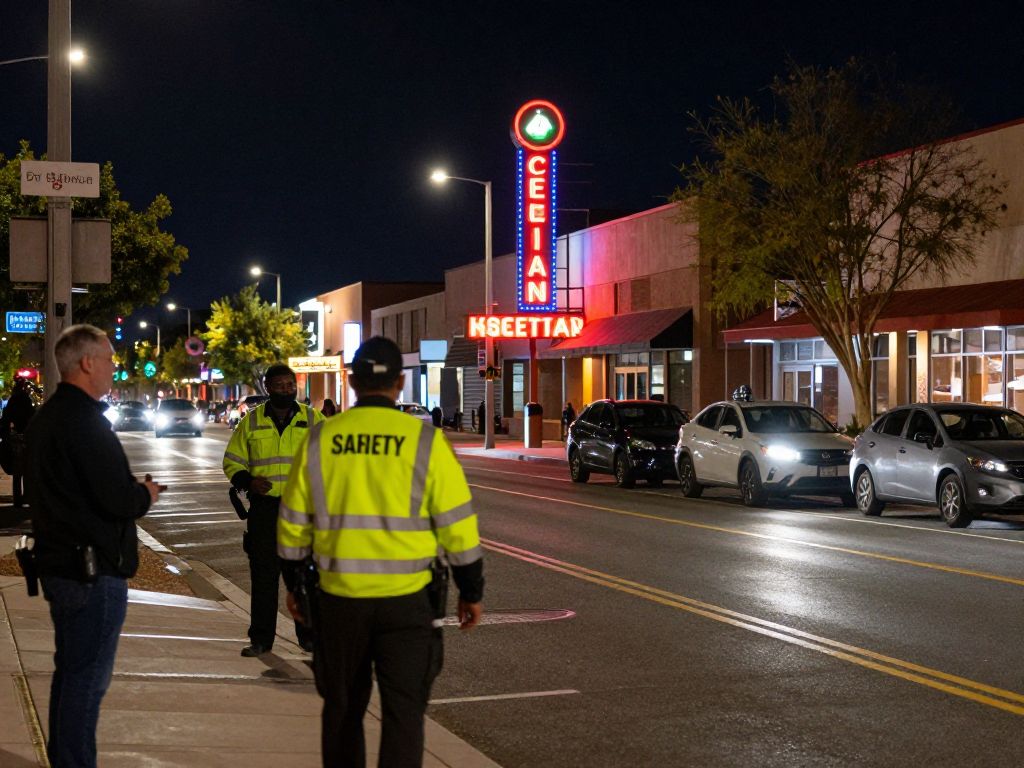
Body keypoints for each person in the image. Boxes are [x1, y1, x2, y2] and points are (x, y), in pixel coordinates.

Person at [279, 336, 484, 768]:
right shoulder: (425, 442)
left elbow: (293, 525)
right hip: (407, 604)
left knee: (342, 713)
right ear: (400, 382)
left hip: (338, 602)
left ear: (352, 382)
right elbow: (459, 528)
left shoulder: (320, 439)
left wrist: (294, 585)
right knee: (404, 716)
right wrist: (471, 591)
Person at [25, 324, 163, 767]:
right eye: (107, 359)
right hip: (92, 571)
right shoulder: (85, 422)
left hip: (60, 566)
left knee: (70, 676)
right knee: (86, 685)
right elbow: (116, 499)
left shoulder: (48, 418)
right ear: (86, 363)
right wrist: (146, 493)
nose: (112, 368)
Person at [223, 364, 324, 656]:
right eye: (279, 385)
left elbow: (332, 459)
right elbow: (232, 460)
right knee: (264, 577)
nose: (285, 389)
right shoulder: (251, 422)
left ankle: (309, 639)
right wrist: (247, 481)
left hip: (302, 511)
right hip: (264, 511)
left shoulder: (313, 419)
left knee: (304, 578)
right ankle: (261, 640)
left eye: (289, 385)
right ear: (268, 387)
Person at [2, 378, 36, 507]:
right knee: (26, 468)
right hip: (26, 436)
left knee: (17, 471)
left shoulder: (13, 400)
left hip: (15, 436)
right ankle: (26, 495)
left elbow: (6, 418)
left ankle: (17, 498)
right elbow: (32, 415)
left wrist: (6, 433)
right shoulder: (26, 400)